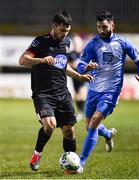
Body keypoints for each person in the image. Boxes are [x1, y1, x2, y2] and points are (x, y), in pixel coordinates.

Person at [19, 10, 93, 171]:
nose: (64, 34)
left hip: (62, 92)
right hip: (43, 94)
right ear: (54, 26)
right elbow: (22, 60)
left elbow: (63, 65)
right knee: (50, 125)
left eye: (67, 31)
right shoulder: (40, 42)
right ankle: (37, 154)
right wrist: (41, 60)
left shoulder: (66, 43)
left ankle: (71, 165)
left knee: (69, 131)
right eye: (62, 30)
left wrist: (79, 76)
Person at [75, 11, 139, 173]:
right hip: (93, 90)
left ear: (112, 25)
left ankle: (81, 163)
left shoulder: (122, 42)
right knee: (89, 126)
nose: (101, 30)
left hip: (111, 91)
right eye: (99, 27)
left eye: (104, 27)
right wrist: (85, 67)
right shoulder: (93, 44)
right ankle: (107, 134)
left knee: (93, 123)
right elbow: (80, 65)